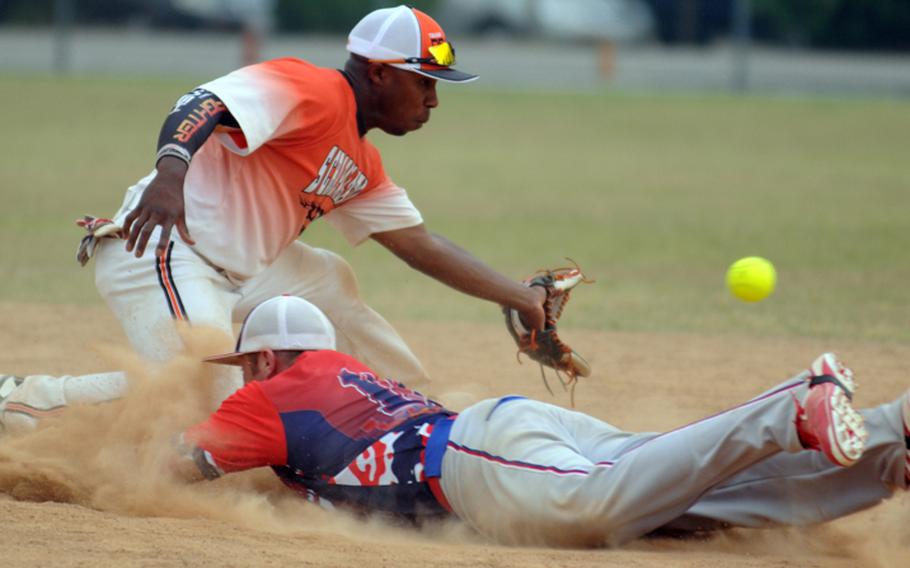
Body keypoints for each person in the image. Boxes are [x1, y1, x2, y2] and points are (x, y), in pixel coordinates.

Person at [1, 5, 546, 427]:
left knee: (331, 282)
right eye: (424, 81)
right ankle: (25, 403)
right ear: (379, 74)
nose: (433, 100)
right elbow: (201, 103)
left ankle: (410, 413)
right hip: (167, 249)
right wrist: (169, 174)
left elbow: (423, 245)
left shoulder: (361, 161)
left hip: (242, 270)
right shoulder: (314, 90)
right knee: (197, 396)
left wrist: (520, 297)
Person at [167, 295, 910, 547]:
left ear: (263, 358)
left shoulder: (268, 395)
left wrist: (88, 463)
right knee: (693, 505)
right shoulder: (347, 372)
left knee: (605, 507)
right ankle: (889, 439)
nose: (246, 377)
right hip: (505, 437)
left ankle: (788, 407)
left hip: (477, 465)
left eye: (247, 364)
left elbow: (177, 466)